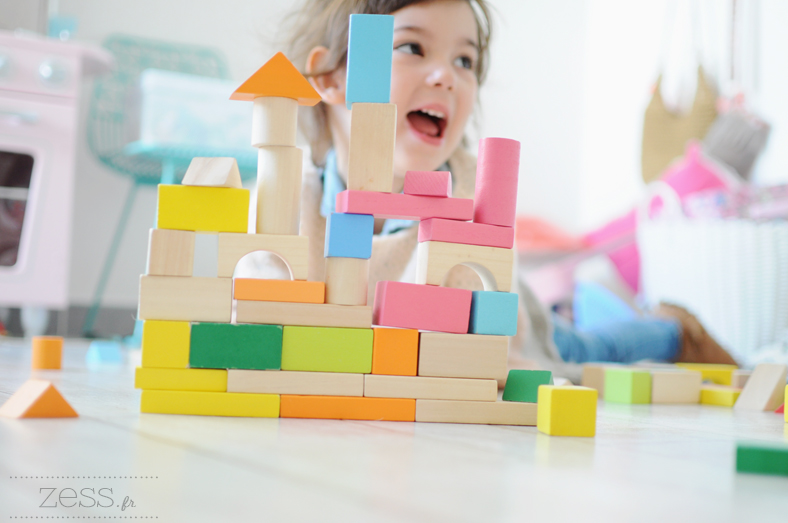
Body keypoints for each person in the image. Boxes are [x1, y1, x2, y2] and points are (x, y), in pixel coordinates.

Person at [278, 0, 737, 383]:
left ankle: (672, 329)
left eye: (465, 60)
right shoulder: (292, 199)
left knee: (586, 350)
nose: (446, 75)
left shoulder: (476, 193)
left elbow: (490, 358)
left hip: (516, 326)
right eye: (412, 47)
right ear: (330, 79)